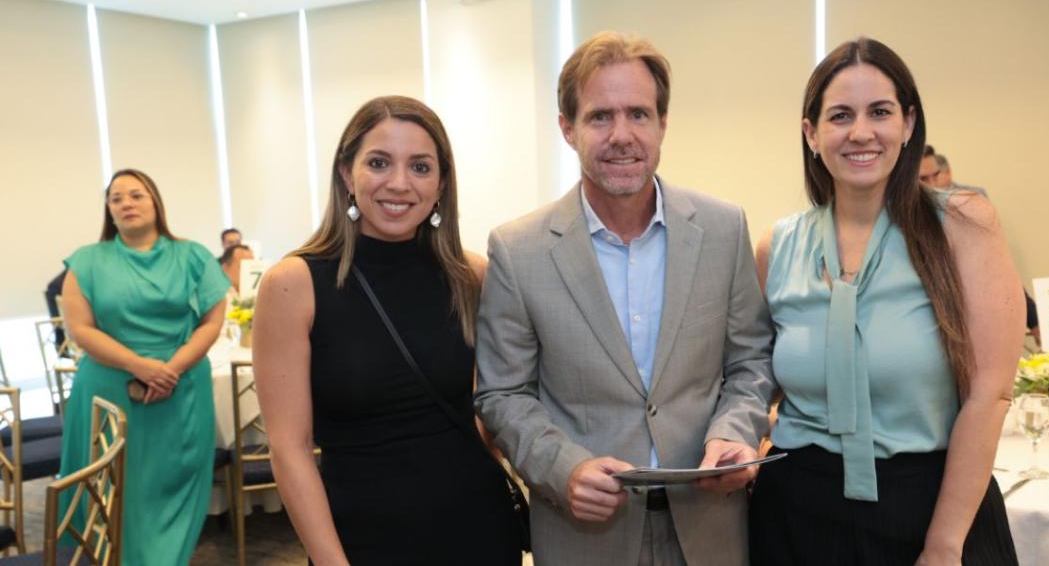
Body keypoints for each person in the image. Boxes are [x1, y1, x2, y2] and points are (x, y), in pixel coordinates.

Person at [474, 32, 776, 565]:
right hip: (583, 535)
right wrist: (561, 467)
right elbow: (502, 394)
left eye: (638, 114)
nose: (622, 135)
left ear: (663, 124)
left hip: (709, 530)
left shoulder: (723, 229)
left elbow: (749, 359)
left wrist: (734, 434)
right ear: (567, 128)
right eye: (599, 117)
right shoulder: (517, 250)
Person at [749, 38, 1023, 565]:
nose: (861, 132)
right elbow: (753, 380)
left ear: (909, 123)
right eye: (839, 116)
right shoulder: (777, 246)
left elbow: (990, 393)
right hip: (794, 516)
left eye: (880, 112)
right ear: (811, 133)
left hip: (933, 508)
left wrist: (944, 545)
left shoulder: (964, 224)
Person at [252, 96, 521, 565]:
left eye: (420, 167)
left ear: (441, 185)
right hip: (362, 541)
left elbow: (493, 412)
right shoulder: (294, 285)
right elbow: (288, 448)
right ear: (346, 174)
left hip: (477, 530)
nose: (399, 183)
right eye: (379, 163)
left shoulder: (471, 277)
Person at [59, 168, 228, 565]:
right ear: (108, 211)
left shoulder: (193, 256)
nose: (126, 204)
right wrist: (141, 366)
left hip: (181, 389)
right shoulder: (87, 261)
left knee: (172, 485)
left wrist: (170, 369)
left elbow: (212, 321)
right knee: (113, 489)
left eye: (136, 195)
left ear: (155, 202)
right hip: (109, 392)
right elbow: (81, 329)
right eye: (116, 199)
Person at [919, 145, 987, 196]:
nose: (932, 185)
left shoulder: (975, 195)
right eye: (923, 179)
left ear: (948, 172)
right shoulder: (915, 201)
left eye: (936, 175)